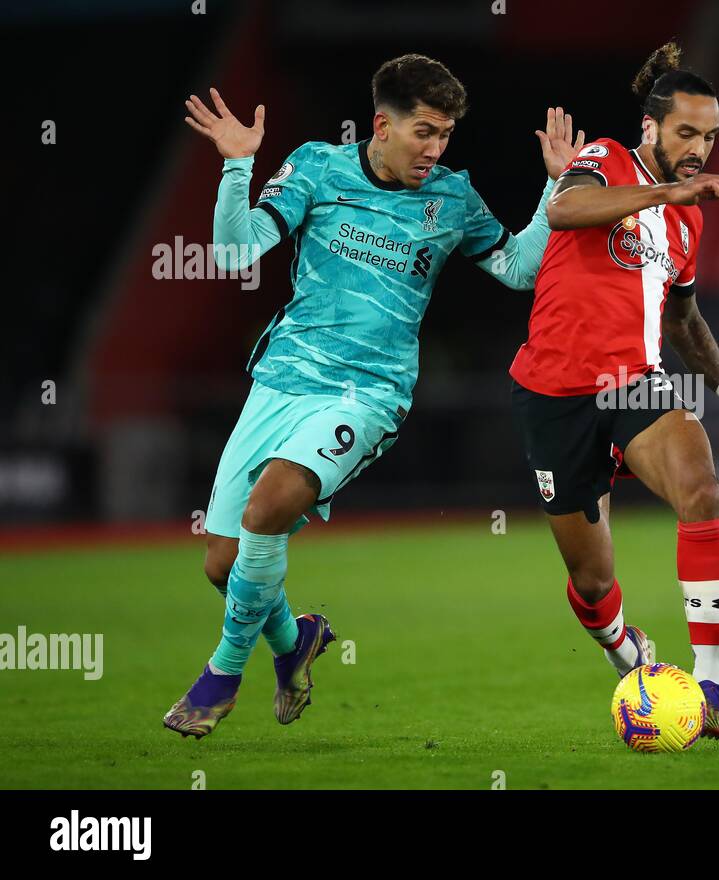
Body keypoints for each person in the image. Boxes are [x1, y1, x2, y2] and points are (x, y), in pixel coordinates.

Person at [164, 54, 584, 738]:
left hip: (367, 393)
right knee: (222, 560)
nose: (436, 148)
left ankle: (221, 674)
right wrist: (236, 164)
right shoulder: (317, 169)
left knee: (269, 508)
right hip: (282, 381)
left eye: (445, 134)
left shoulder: (451, 199)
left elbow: (516, 269)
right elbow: (236, 255)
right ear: (381, 124)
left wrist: (554, 186)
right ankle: (291, 643)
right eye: (424, 131)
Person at [509, 43, 719, 741]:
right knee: (594, 582)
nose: (699, 149)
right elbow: (568, 210)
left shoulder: (688, 221)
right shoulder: (606, 160)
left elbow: (685, 318)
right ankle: (625, 652)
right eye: (687, 133)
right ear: (651, 129)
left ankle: (712, 681)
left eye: (711, 136)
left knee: (702, 490)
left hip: (633, 383)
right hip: (553, 391)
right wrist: (668, 191)